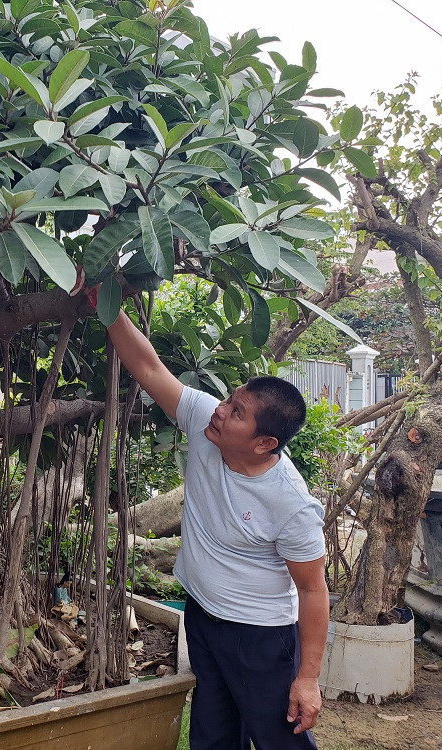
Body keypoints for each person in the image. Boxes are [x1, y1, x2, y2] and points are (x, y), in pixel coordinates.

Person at [103, 305, 330, 750]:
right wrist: (105, 304)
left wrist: (308, 678)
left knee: (279, 740)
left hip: (260, 637)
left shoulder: (290, 503)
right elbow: (149, 368)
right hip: (203, 619)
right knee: (212, 737)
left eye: (237, 411)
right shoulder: (206, 420)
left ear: (264, 443)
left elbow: (312, 590)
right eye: (229, 399)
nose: (221, 411)